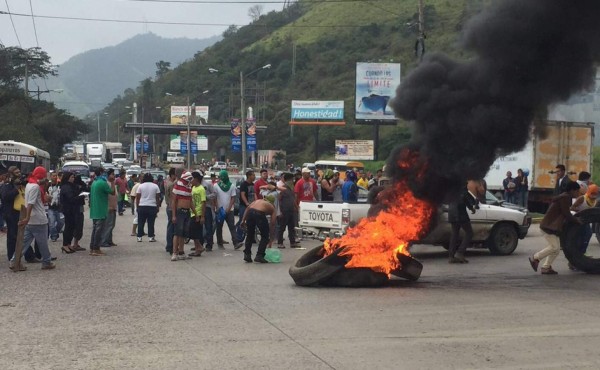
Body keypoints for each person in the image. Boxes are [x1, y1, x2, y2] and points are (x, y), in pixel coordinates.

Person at [530, 181, 582, 275]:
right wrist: (576, 220)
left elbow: (565, 212)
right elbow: (567, 214)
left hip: (552, 226)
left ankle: (546, 268)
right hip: (548, 226)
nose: (578, 193)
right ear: (572, 190)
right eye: (577, 191)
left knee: (556, 249)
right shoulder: (565, 198)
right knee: (554, 247)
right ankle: (535, 258)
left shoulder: (565, 197)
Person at [10, 166, 55, 271]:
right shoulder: (35, 186)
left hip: (31, 220)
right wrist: (27, 217)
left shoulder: (29, 184)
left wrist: (27, 218)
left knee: (24, 242)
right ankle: (47, 262)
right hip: (38, 219)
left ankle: (14, 261)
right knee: (42, 242)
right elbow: (31, 203)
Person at [240, 197, 277, 263]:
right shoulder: (272, 207)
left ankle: (247, 254)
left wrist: (243, 220)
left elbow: (248, 208)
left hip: (250, 212)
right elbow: (273, 223)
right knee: (265, 236)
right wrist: (270, 237)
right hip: (259, 214)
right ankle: (259, 255)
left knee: (250, 234)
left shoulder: (258, 201)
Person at [448, 185, 478, 264]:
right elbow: (464, 199)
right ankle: (460, 253)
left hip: (451, 213)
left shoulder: (451, 188)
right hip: (460, 214)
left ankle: (451, 256)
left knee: (454, 234)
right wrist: (471, 208)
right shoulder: (461, 187)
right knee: (469, 233)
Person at [89, 167, 115, 256]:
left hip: (94, 210)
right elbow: (112, 192)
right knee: (99, 231)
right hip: (101, 210)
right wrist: (112, 182)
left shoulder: (94, 182)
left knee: (95, 230)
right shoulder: (103, 183)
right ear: (101, 172)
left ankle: (92, 247)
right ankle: (96, 248)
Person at [214, 170, 243, 249]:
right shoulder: (216, 186)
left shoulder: (232, 186)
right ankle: (220, 243)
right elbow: (215, 198)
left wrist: (229, 208)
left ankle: (235, 243)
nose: (221, 178)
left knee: (232, 227)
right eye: (221, 176)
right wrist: (217, 207)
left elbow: (233, 198)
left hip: (229, 210)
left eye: (223, 176)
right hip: (220, 210)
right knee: (219, 227)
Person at [570, 184, 598, 262]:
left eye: (595, 194)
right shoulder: (582, 199)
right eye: (592, 194)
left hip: (585, 221)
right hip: (577, 220)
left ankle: (582, 251)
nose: (593, 196)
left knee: (588, 234)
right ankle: (576, 257)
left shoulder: (594, 201)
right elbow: (571, 207)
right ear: (589, 192)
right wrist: (580, 212)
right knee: (579, 238)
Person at [171, 171, 193, 261]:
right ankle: (174, 253)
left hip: (187, 212)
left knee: (183, 234)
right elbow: (174, 201)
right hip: (180, 212)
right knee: (177, 233)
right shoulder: (178, 186)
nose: (190, 180)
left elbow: (191, 202)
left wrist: (195, 212)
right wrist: (174, 215)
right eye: (189, 179)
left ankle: (181, 252)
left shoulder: (189, 188)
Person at [136, 172, 161, 243]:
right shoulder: (155, 186)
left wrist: (137, 207)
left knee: (141, 222)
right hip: (152, 206)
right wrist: (158, 207)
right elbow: (157, 198)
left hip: (142, 206)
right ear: (152, 179)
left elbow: (138, 197)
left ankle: (139, 237)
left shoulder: (141, 186)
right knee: (151, 222)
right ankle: (151, 237)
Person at [59, 172, 80, 253]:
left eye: (73, 177)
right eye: (71, 177)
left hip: (72, 209)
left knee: (72, 226)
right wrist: (80, 197)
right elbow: (70, 198)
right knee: (68, 227)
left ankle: (68, 243)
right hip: (68, 209)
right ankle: (65, 244)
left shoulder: (71, 186)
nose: (73, 179)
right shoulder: (66, 187)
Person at [278, 172, 300, 249]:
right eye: (292, 179)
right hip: (284, 210)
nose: (293, 180)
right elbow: (279, 200)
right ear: (288, 180)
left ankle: (292, 242)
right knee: (282, 227)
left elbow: (293, 199)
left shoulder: (292, 188)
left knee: (291, 227)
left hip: (291, 210)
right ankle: (280, 242)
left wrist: (296, 207)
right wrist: (280, 211)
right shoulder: (283, 188)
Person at [188, 171, 206, 257]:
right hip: (192, 212)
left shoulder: (201, 189)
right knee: (192, 231)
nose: (191, 180)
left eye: (192, 179)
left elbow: (203, 203)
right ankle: (197, 249)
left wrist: (202, 216)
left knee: (194, 232)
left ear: (196, 179)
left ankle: (200, 247)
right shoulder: (193, 188)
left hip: (198, 213)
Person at [236, 170, 255, 242]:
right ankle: (238, 237)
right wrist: (247, 203)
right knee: (242, 221)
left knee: (252, 222)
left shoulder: (253, 185)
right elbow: (242, 195)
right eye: (253, 175)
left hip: (253, 205)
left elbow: (254, 194)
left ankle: (252, 237)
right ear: (249, 176)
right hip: (244, 206)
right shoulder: (244, 184)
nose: (254, 176)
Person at [101, 169, 118, 248]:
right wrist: (108, 206)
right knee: (108, 225)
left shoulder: (113, 184)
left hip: (113, 207)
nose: (114, 176)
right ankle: (104, 241)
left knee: (112, 225)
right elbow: (108, 195)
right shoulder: (106, 184)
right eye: (112, 174)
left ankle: (109, 240)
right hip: (108, 207)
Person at [47, 171, 64, 242]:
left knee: (61, 222)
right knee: (51, 223)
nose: (55, 177)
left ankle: (55, 233)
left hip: (59, 207)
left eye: (55, 176)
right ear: (50, 176)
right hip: (50, 207)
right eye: (53, 176)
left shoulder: (60, 185)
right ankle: (53, 236)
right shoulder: (47, 185)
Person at [72, 175, 87, 251]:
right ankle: (75, 244)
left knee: (77, 225)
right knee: (78, 225)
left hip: (77, 208)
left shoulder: (74, 186)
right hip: (77, 208)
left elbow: (86, 189)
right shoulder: (73, 188)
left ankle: (75, 243)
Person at [202, 172, 217, 251]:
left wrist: (206, 197)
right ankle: (199, 244)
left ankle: (209, 244)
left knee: (208, 226)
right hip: (197, 208)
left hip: (207, 207)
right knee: (198, 227)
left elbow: (214, 193)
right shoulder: (193, 185)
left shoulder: (207, 184)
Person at [164, 168, 177, 254]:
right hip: (171, 207)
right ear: (172, 175)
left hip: (169, 206)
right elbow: (173, 197)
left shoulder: (167, 182)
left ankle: (169, 245)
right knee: (172, 228)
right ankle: (170, 246)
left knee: (170, 227)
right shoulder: (172, 184)